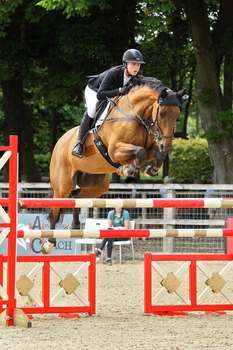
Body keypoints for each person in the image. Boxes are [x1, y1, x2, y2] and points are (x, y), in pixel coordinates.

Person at [72, 49, 146, 158]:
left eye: (138, 65)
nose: (136, 68)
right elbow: (100, 94)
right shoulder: (114, 73)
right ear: (125, 64)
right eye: (133, 64)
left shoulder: (137, 76)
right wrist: (120, 91)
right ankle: (79, 143)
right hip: (95, 90)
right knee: (92, 108)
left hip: (111, 93)